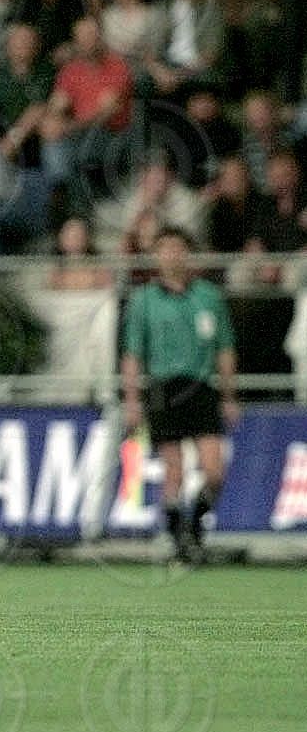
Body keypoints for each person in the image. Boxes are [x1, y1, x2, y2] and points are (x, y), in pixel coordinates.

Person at [121, 227, 238, 563]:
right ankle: (178, 540)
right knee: (174, 471)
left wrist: (229, 395)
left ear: (188, 254)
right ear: (156, 256)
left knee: (214, 471)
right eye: (164, 248)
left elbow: (225, 348)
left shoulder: (209, 297)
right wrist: (132, 399)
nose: (171, 255)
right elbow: (133, 354)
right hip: (163, 388)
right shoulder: (144, 300)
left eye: (177, 248)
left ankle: (196, 524)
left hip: (201, 387)